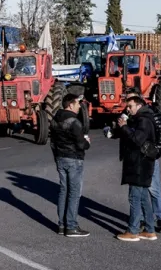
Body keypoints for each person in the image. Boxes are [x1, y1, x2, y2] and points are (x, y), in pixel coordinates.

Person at [114, 95, 157, 242]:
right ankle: (150, 229)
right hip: (141, 163)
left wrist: (124, 127)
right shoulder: (140, 119)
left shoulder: (143, 120)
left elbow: (137, 140)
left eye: (130, 106)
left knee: (134, 197)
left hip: (139, 164)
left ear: (139, 106)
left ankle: (133, 230)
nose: (128, 109)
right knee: (144, 197)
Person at [125, 89, 161, 234]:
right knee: (141, 193)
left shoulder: (150, 114)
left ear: (139, 101)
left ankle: (159, 219)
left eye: (130, 102)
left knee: (152, 189)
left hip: (148, 157)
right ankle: (144, 221)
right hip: (136, 158)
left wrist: (155, 153)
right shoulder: (130, 116)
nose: (127, 107)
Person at [50, 93, 91, 237]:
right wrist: (87, 143)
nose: (79, 106)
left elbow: (53, 142)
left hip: (60, 157)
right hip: (74, 159)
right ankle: (71, 226)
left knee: (63, 190)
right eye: (77, 103)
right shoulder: (74, 122)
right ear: (70, 105)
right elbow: (81, 144)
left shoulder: (55, 119)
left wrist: (57, 158)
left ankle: (62, 225)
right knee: (74, 193)